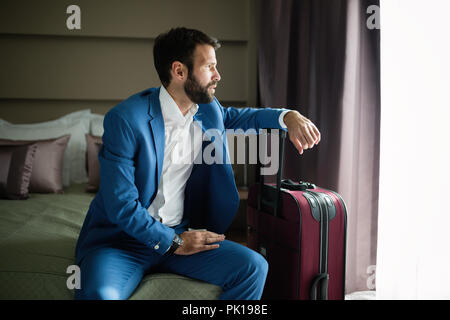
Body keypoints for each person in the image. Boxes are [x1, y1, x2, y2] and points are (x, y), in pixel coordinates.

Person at [74, 27, 321, 300]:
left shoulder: (207, 108)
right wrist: (174, 242)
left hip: (183, 233)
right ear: (179, 71)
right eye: (209, 67)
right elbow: (120, 205)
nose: (218, 75)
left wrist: (288, 117)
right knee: (99, 295)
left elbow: (242, 117)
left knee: (253, 267)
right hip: (122, 242)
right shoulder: (126, 120)